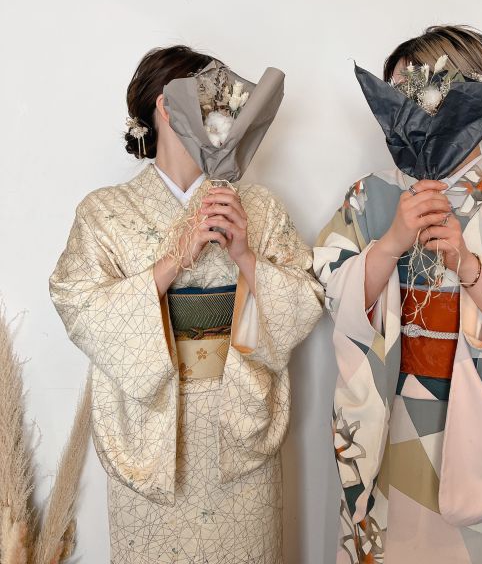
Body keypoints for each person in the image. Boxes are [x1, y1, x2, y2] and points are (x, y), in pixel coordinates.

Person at [314, 25, 482, 563]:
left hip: (477, 427)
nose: (402, 113)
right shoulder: (372, 194)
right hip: (385, 415)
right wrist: (391, 243)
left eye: (414, 95)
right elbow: (329, 290)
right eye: (395, 98)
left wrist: (467, 265)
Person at [50, 45, 323, 564]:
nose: (223, 111)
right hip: (151, 432)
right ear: (165, 105)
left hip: (237, 423)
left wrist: (244, 255)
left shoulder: (258, 206)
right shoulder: (104, 212)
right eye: (208, 98)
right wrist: (175, 259)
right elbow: (78, 304)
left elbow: (305, 299)